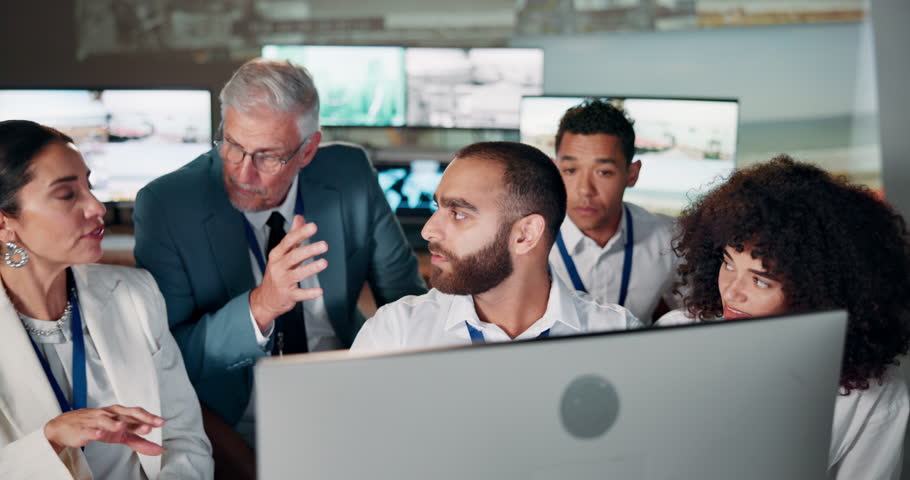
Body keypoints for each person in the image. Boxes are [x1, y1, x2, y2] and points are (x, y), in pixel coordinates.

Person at [132, 58, 427, 462]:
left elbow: (406, 300)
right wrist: (261, 306)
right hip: (235, 418)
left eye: (268, 157)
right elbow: (171, 355)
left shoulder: (349, 173)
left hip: (350, 399)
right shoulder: (167, 205)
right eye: (233, 145)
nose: (241, 173)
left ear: (308, 150)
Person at [657, 155, 910, 479]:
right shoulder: (675, 336)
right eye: (728, 263)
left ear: (818, 290)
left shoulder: (874, 394)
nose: (732, 292)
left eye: (761, 280)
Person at [0, 120, 212, 479]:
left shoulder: (136, 294)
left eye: (89, 185)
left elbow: (185, 441)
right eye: (68, 194)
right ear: (5, 223)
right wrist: (50, 440)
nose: (97, 207)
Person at [351, 141, 641, 352]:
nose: (429, 230)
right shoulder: (396, 333)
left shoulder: (619, 336)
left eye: (459, 213)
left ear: (525, 234)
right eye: (437, 207)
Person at [549, 99, 678, 324]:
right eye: (570, 170)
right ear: (554, 170)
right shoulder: (526, 244)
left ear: (632, 174)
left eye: (604, 172)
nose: (585, 190)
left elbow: (697, 315)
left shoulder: (670, 239)